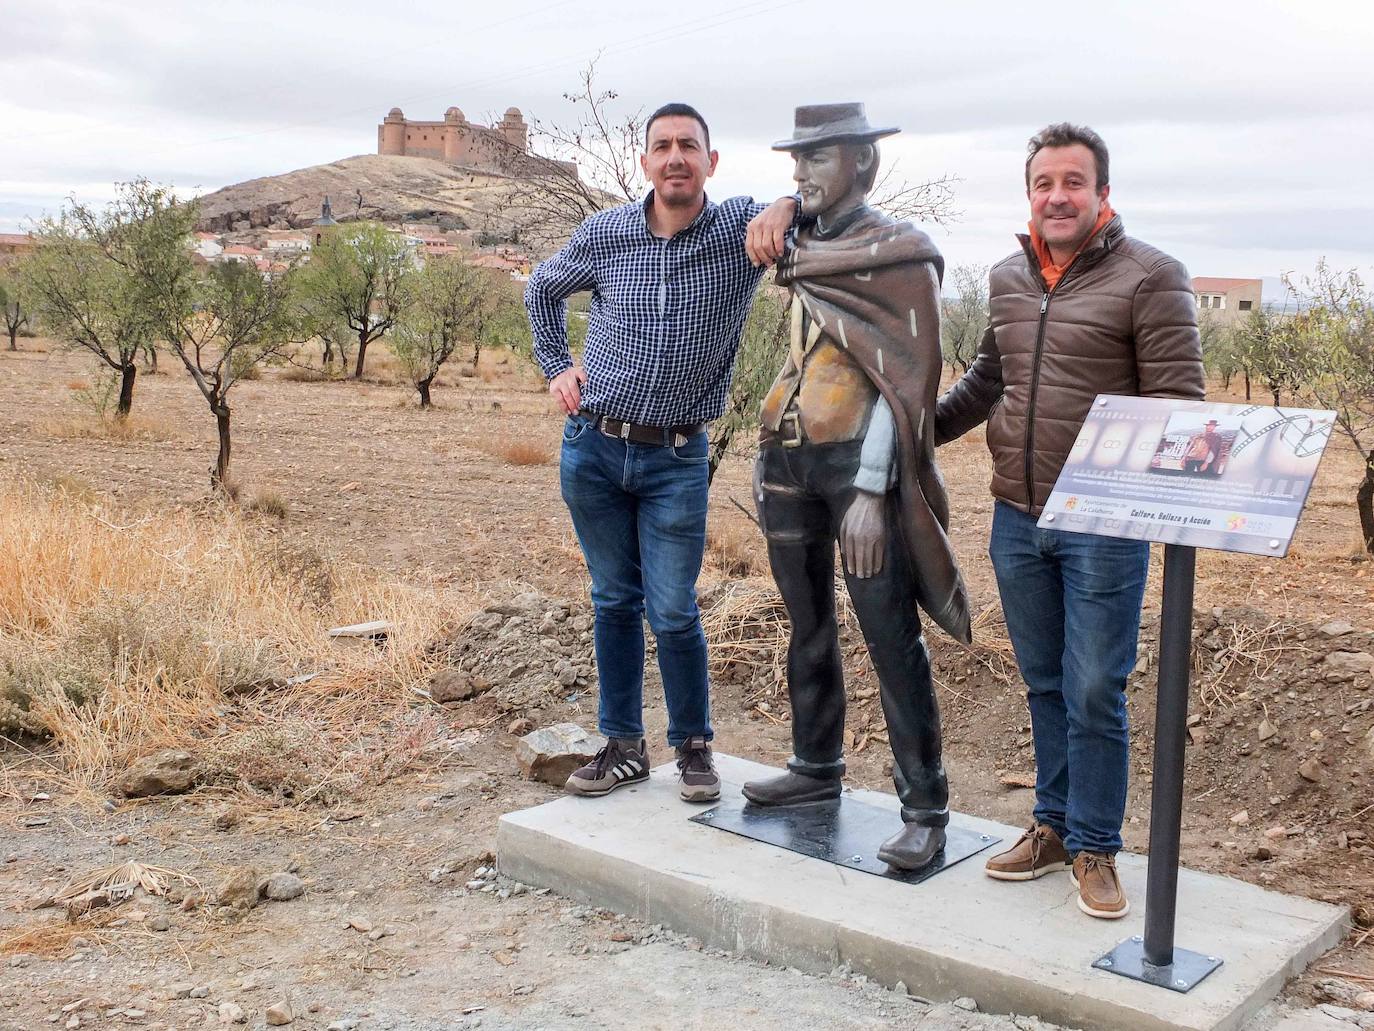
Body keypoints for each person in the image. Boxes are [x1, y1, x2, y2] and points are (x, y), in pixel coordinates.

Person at [935, 123, 1204, 917]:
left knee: (1094, 688)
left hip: (1103, 526)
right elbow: (991, 377)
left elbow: (1177, 407)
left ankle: (1095, 845)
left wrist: (1118, 484)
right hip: (1017, 518)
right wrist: (914, 434)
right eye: (1044, 183)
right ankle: (1051, 826)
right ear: (1029, 194)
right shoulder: (1009, 276)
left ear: (1102, 193)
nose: (1058, 195)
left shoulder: (1153, 276)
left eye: (1073, 182)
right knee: (1045, 682)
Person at [523, 102, 798, 803]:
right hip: (594, 447)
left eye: (689, 145)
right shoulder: (606, 231)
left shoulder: (739, 227)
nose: (676, 156)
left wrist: (789, 202)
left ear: (711, 160)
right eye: (663, 145)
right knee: (613, 599)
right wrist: (557, 365)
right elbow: (542, 288)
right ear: (645, 161)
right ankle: (621, 746)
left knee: (673, 608)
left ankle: (694, 746)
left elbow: (826, 202)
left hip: (675, 458)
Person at [738, 103, 971, 871]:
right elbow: (754, 228)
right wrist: (780, 205)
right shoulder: (799, 241)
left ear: (863, 164)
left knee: (889, 634)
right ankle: (815, 767)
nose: (801, 173)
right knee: (806, 625)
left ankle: (926, 808)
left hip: (856, 468)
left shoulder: (900, 253)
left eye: (819, 158)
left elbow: (909, 384)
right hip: (789, 461)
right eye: (795, 161)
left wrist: (874, 488)